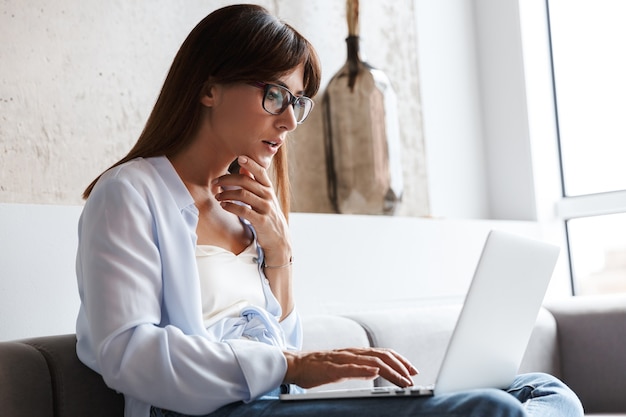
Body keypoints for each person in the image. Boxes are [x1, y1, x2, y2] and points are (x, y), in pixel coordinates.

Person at [75, 4, 584, 417]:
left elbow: (281, 342)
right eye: (276, 95)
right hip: (209, 412)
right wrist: (290, 366)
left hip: (274, 402)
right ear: (209, 88)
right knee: (491, 410)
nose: (290, 121)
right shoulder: (130, 193)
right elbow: (128, 353)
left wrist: (279, 253)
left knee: (544, 391)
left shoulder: (248, 203)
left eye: (298, 102)